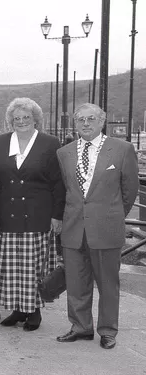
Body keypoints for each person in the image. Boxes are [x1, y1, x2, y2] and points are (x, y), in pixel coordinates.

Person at [56, 103, 138, 349]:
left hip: (106, 228)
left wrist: (111, 215)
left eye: (91, 119)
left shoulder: (123, 149)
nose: (85, 124)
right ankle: (80, 327)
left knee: (108, 284)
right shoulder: (64, 153)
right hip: (73, 228)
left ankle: (108, 330)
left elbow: (129, 190)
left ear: (102, 121)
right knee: (76, 283)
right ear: (75, 123)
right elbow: (66, 190)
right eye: (80, 119)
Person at [0, 97, 65, 332]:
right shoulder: (0, 143)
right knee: (10, 267)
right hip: (7, 214)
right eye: (16, 118)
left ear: (35, 120)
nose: (21, 121)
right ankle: (18, 309)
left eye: (26, 117)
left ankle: (33, 311)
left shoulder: (50, 143)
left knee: (34, 266)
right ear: (10, 121)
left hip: (38, 214)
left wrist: (57, 215)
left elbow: (58, 183)